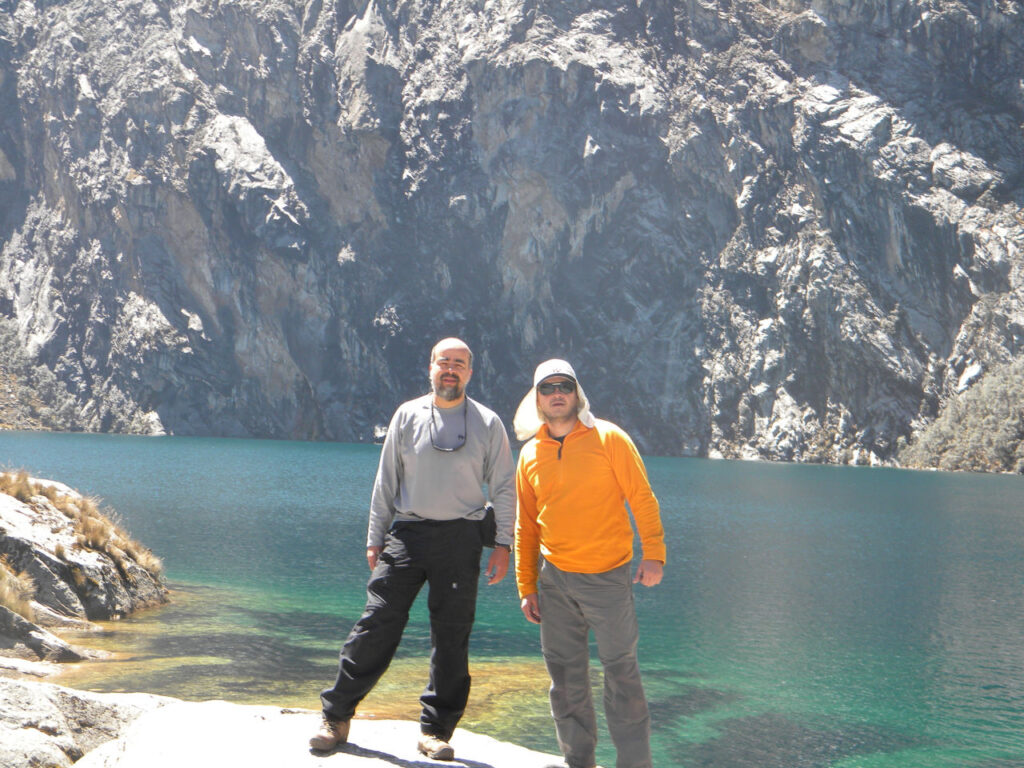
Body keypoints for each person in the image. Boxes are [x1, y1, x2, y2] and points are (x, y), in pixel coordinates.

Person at [310, 337, 515, 761]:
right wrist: (375, 535)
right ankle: (336, 716)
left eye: (459, 363)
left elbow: (505, 488)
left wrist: (504, 544)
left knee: (452, 635)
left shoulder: (488, 423)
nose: (451, 369)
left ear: (470, 372)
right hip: (407, 535)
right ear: (430, 368)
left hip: (463, 538)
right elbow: (386, 480)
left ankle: (435, 731)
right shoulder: (407, 415)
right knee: (377, 622)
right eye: (444, 362)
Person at [512, 359, 666, 768]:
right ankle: (579, 761)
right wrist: (526, 585)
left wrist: (655, 554)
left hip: (608, 578)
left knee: (622, 676)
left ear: (577, 393)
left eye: (564, 385)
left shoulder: (609, 437)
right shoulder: (530, 454)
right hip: (554, 581)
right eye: (547, 388)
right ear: (537, 398)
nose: (556, 393)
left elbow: (642, 498)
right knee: (565, 681)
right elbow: (525, 526)